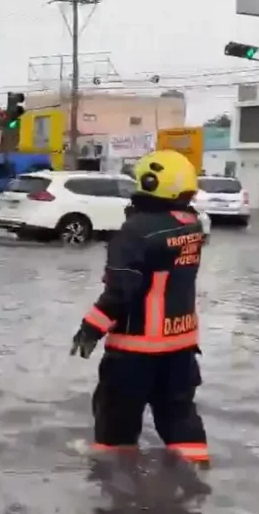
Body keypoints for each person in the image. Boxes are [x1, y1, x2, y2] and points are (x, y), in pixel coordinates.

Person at [70, 149, 209, 465]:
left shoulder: (135, 233)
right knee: (180, 420)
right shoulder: (192, 226)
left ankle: (117, 493)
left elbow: (120, 292)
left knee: (115, 431)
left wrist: (90, 328)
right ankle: (196, 485)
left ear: (148, 182)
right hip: (181, 350)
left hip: (135, 350)